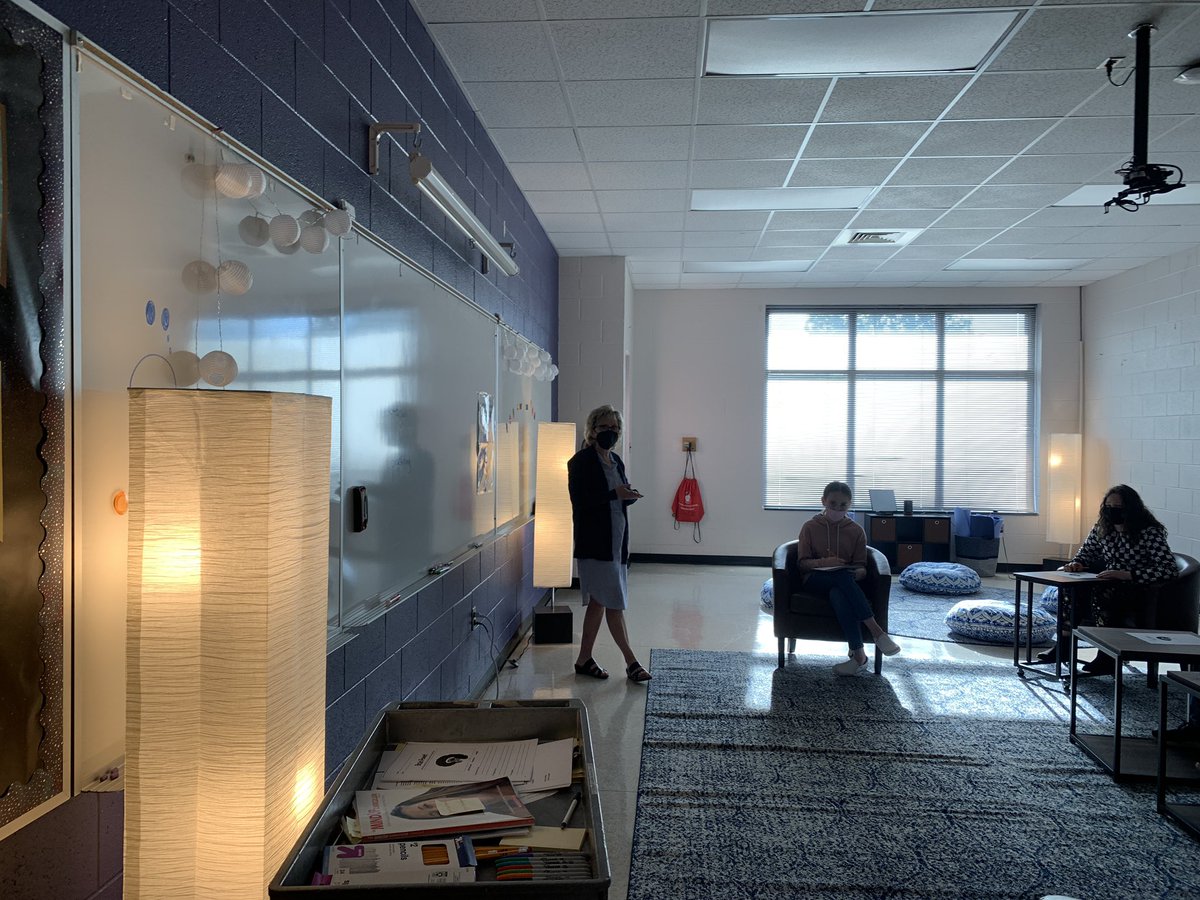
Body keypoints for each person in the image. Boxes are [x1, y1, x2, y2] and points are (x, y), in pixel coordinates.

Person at [1038, 484, 1179, 675]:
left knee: (1105, 594)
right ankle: (1063, 647)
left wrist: (1128, 574)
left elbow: (1168, 569)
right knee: (1070, 591)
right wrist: (1076, 564)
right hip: (1107, 580)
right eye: (1109, 507)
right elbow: (1085, 554)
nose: (1112, 512)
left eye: (1118, 508)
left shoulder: (1149, 532)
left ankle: (1106, 656)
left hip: (1138, 587)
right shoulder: (1103, 528)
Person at [568, 404, 651, 684]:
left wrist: (626, 495)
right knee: (612, 602)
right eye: (605, 428)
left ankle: (583, 659)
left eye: (615, 428)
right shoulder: (579, 462)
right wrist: (612, 494)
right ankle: (631, 662)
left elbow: (618, 494)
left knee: (599, 603)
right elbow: (582, 502)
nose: (611, 433)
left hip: (617, 543)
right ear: (593, 429)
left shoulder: (616, 461)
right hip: (595, 544)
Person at [796, 481, 901, 676]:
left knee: (839, 593)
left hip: (843, 581)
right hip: (814, 580)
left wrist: (860, 571)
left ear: (849, 505)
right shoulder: (810, 527)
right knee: (841, 577)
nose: (837, 508)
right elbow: (802, 563)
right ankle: (877, 632)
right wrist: (826, 562)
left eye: (842, 504)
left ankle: (859, 656)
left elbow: (861, 564)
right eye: (833, 503)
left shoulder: (856, 531)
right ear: (823, 501)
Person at [391, 779, 524, 820]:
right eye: (435, 814)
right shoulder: (505, 816)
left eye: (427, 805)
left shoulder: (471, 780)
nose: (438, 808)